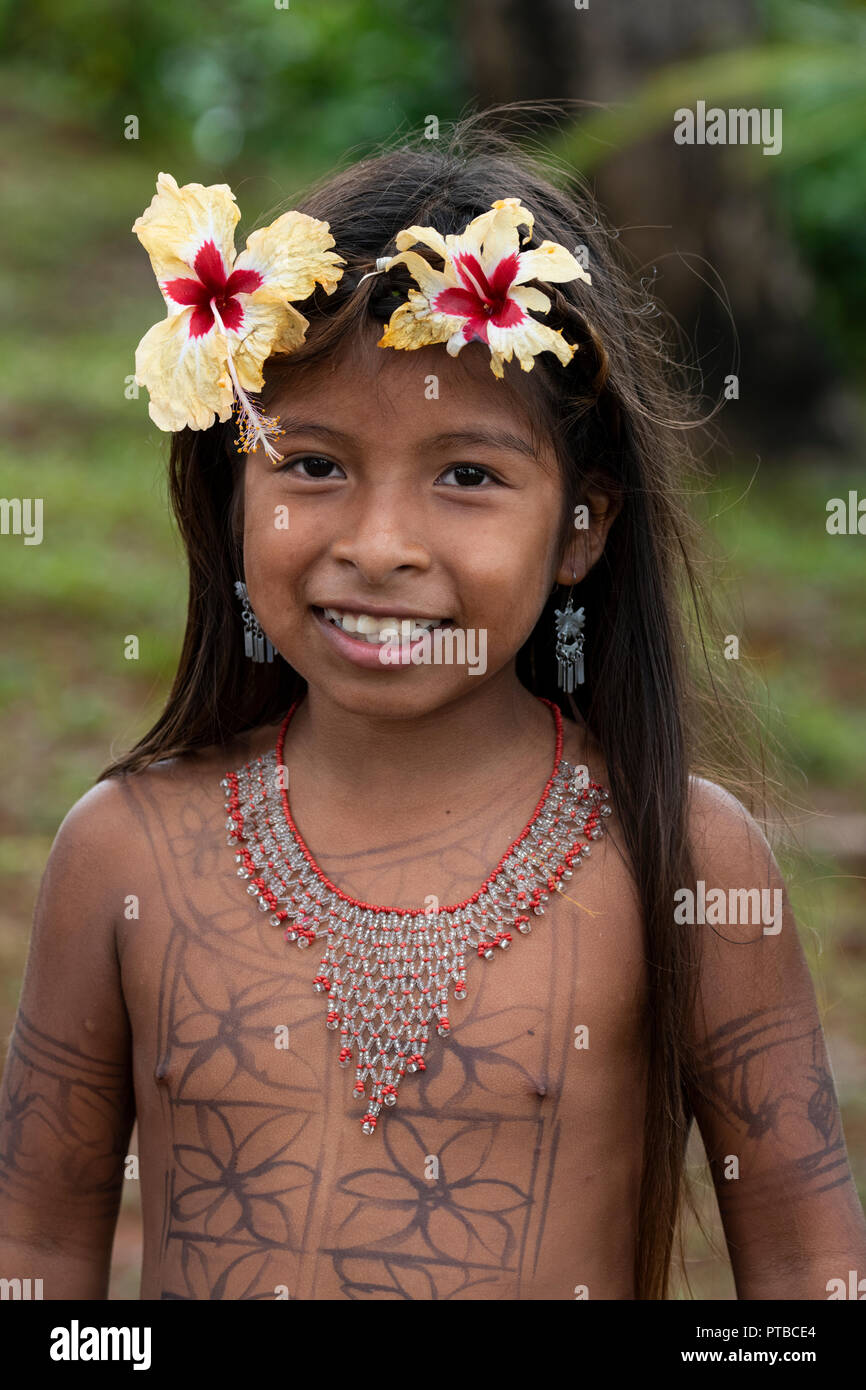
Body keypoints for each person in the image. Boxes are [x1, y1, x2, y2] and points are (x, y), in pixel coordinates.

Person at [1, 115, 864, 1302]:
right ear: (228, 489)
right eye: (311, 464)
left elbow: (811, 1273)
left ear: (581, 527)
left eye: (467, 475)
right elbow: (36, 1258)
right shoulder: (122, 849)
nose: (382, 546)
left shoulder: (684, 855)